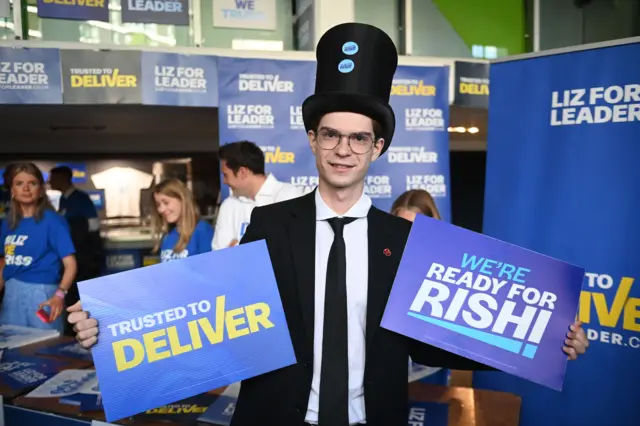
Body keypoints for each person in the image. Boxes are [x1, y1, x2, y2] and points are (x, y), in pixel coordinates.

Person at [69, 23, 589, 426]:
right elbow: (210, 316)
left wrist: (546, 336)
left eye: (359, 138)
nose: (344, 149)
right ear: (313, 140)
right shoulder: (268, 224)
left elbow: (436, 339)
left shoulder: (404, 240)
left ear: (378, 147)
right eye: (331, 135)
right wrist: (111, 327)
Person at [1, 163, 77, 332]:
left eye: (32, 183)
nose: (26, 188)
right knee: (12, 350)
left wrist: (59, 295)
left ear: (41, 189)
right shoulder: (8, 223)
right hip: (11, 293)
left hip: (42, 294)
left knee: (45, 350)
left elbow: (70, 264)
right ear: (12, 190)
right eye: (19, 183)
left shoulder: (53, 221)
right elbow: (4, 262)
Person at [211, 140, 303, 250]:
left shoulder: (288, 196)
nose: (225, 181)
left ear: (242, 172)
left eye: (226, 175)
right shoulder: (228, 205)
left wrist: (237, 248)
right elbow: (220, 257)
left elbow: (291, 250)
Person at [49, 166, 104, 312]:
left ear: (63, 179)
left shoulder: (81, 198)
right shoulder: (63, 199)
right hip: (69, 253)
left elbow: (93, 226)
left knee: (81, 296)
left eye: (53, 178)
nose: (49, 182)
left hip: (82, 256)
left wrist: (91, 253)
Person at [152, 178, 214, 262]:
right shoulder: (167, 236)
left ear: (182, 200)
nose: (161, 209)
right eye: (158, 205)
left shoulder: (203, 231)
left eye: (166, 203)